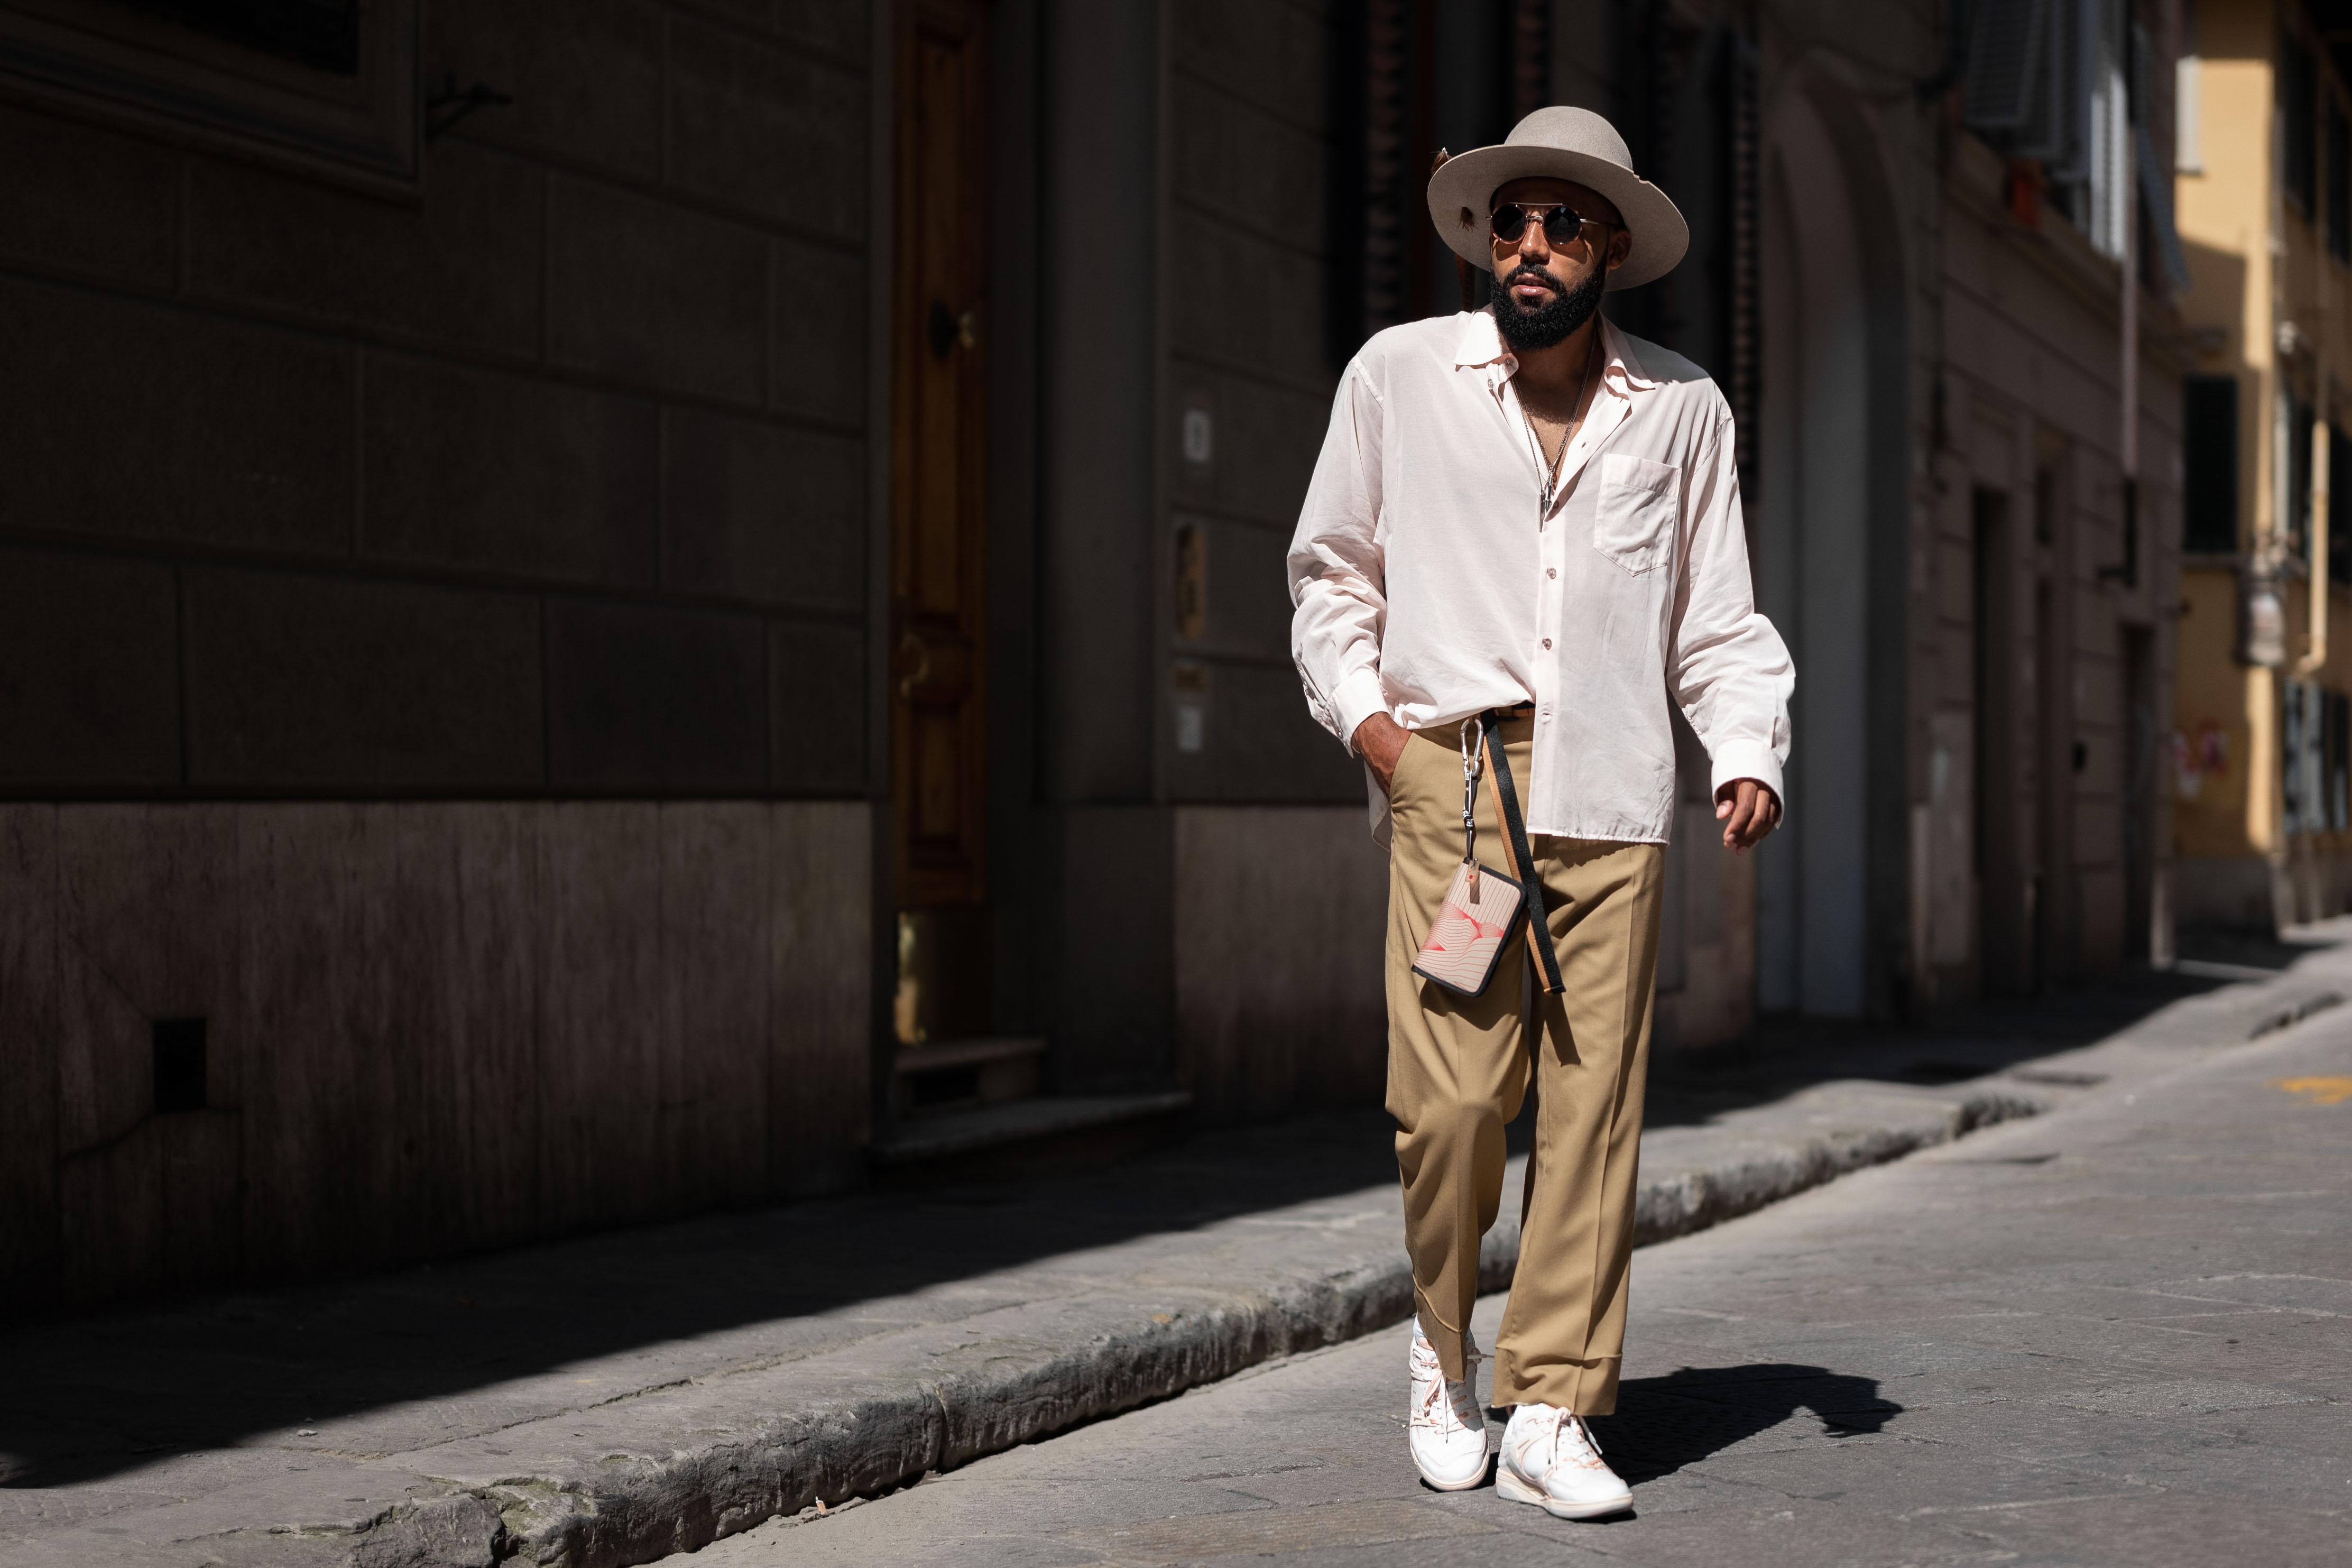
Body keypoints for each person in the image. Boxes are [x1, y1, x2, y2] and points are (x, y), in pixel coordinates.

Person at [1286, 106, 1793, 1520]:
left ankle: (1554, 1406)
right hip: (1456, 792)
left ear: (1609, 246)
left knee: (1591, 1115)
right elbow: (1330, 573)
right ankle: (1443, 1349)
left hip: (1613, 796)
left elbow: (1716, 616)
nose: (1529, 245)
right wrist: (1382, 738)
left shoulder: (1682, 410)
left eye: (1562, 224)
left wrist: (1744, 747)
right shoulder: (1400, 374)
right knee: (1452, 1103)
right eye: (1510, 220)